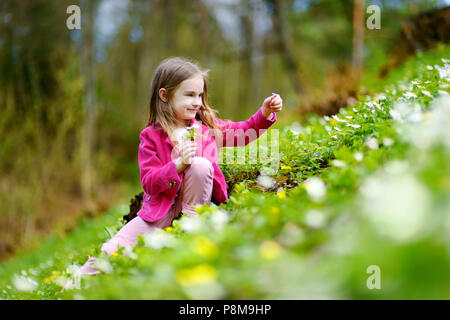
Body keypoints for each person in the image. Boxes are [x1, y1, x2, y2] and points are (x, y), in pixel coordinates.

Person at [79, 57, 283, 275]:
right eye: (189, 95)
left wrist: (264, 113)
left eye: (199, 95)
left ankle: (191, 226)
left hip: (197, 207)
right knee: (110, 251)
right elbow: (149, 182)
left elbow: (243, 132)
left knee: (200, 165)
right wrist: (177, 165)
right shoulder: (150, 136)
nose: (197, 102)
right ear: (165, 95)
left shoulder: (207, 128)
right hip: (158, 213)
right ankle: (73, 288)